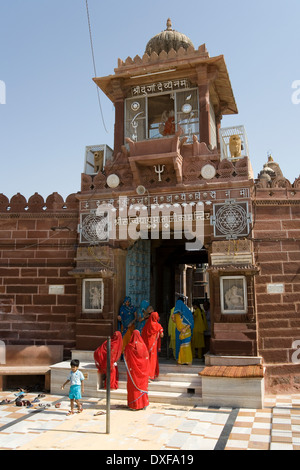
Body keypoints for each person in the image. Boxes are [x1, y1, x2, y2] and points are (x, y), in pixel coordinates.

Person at [124, 330, 150, 410]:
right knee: (142, 386)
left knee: (133, 388)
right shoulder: (143, 346)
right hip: (143, 372)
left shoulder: (129, 347)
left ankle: (134, 405)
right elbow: (146, 358)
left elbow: (126, 356)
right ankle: (143, 404)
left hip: (133, 372)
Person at [141, 310, 164, 380]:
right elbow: (162, 335)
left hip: (146, 346)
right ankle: (150, 376)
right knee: (152, 360)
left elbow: (142, 333)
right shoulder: (158, 326)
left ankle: (145, 375)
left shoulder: (147, 325)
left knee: (146, 359)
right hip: (153, 347)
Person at [173, 299, 194, 365]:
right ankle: (180, 360)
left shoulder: (187, 311)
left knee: (186, 346)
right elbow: (175, 321)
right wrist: (173, 317)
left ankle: (187, 361)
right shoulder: (176, 313)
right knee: (179, 345)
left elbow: (190, 322)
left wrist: (185, 329)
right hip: (178, 332)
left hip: (186, 332)